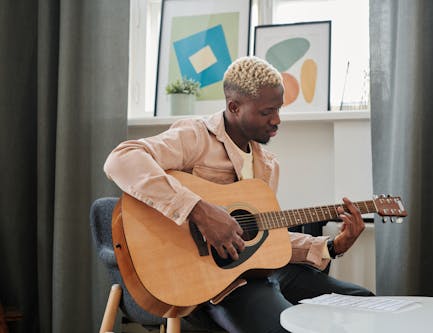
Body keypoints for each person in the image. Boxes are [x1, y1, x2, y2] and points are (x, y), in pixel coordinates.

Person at [104, 56, 373, 333]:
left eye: (279, 109)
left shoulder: (267, 164)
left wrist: (331, 246)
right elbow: (122, 158)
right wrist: (199, 210)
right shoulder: (195, 136)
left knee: (363, 304)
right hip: (216, 283)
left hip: (263, 273)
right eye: (267, 111)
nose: (277, 120)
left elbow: (265, 239)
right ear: (234, 107)